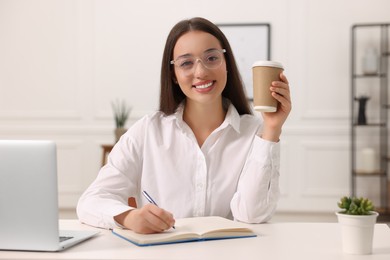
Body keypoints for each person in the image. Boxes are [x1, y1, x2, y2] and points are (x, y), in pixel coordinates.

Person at [77, 17, 291, 234]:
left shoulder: (255, 131)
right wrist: (129, 217)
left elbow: (252, 215)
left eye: (212, 58)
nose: (201, 72)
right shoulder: (148, 131)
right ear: (174, 75)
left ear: (226, 64)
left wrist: (272, 129)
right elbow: (91, 201)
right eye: (186, 63)